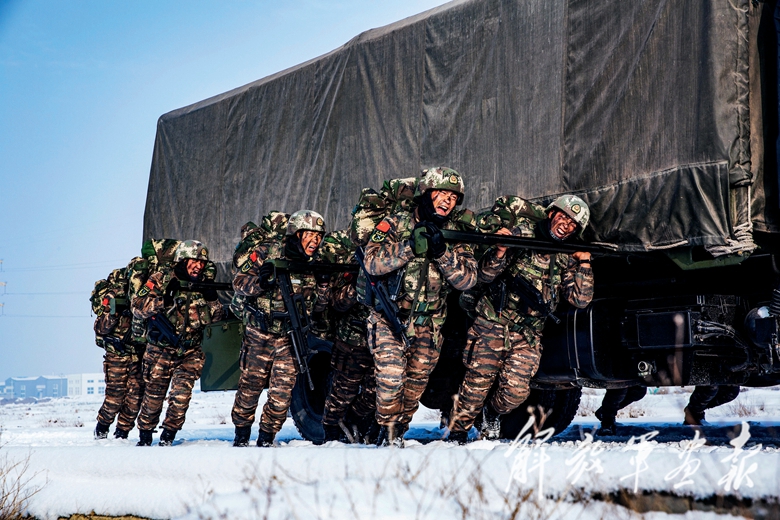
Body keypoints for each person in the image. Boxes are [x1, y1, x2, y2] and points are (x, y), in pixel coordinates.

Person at [448, 195, 594, 443]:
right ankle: (458, 431)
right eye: (563, 217)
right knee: (476, 385)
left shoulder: (566, 255)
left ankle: (492, 413)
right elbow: (484, 275)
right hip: (493, 322)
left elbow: (580, 300)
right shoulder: (522, 234)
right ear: (551, 214)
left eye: (572, 224)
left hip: (528, 332)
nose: (566, 225)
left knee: (515, 392)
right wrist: (500, 250)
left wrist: (585, 263)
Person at [364, 167, 478, 447]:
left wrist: (443, 253)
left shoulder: (454, 233)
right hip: (390, 318)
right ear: (426, 194)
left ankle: (395, 434)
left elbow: (468, 279)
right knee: (391, 379)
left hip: (429, 325)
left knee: (413, 389)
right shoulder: (395, 222)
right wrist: (408, 247)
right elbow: (371, 262)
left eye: (453, 197)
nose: (447, 201)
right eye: (442, 193)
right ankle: (387, 434)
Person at [231, 210, 330, 447]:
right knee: (250, 388)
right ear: (297, 234)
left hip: (290, 337)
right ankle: (241, 435)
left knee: (282, 393)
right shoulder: (268, 251)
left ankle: (267, 438)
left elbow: (318, 306)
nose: (315, 241)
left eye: (319, 237)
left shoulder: (313, 264)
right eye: (310, 235)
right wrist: (261, 281)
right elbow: (239, 283)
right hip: (260, 334)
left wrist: (324, 284)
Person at [132, 240, 225, 446]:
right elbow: (137, 306)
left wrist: (212, 299)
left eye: (202, 263)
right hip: (160, 350)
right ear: (182, 261)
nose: (198, 266)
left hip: (189, 351)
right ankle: (145, 438)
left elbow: (216, 317)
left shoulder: (204, 283)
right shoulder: (162, 278)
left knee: (181, 397)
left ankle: (168, 436)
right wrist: (164, 299)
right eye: (194, 261)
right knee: (153, 399)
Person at [317, 229, 377, 443]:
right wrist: (359, 283)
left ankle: (353, 420)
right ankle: (331, 432)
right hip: (352, 339)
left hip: (379, 338)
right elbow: (338, 303)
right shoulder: (351, 262)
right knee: (343, 391)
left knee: (375, 391)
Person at [93, 267, 144, 440]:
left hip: (137, 355)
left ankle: (122, 434)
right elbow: (101, 328)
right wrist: (114, 312)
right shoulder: (113, 298)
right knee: (114, 398)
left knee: (135, 399)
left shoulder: (141, 295)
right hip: (116, 355)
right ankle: (102, 429)